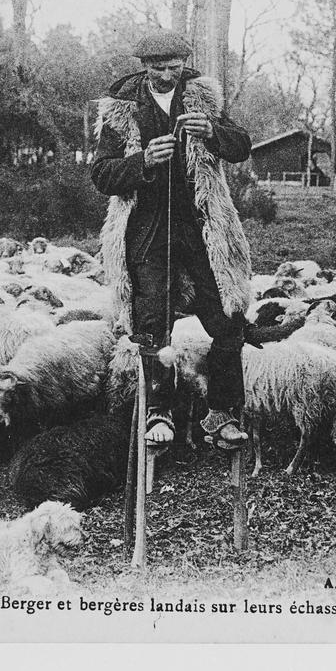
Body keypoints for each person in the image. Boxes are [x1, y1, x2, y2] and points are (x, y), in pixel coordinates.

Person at [91, 30, 254, 450]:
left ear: (185, 62)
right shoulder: (120, 110)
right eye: (159, 67)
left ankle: (221, 412)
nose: (168, 74)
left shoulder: (203, 98)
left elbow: (241, 147)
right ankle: (159, 409)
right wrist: (140, 161)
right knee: (151, 325)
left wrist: (213, 131)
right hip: (146, 232)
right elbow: (102, 175)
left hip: (202, 229)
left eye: (175, 66)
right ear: (145, 66)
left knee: (228, 318)